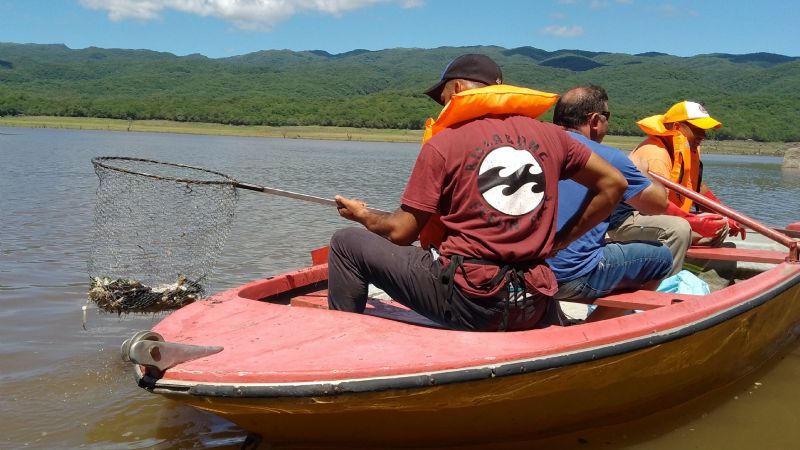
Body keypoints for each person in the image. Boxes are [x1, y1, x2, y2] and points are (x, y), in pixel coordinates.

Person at [327, 54, 627, 332]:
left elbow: (401, 233)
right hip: (533, 300)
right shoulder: (553, 137)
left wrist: (363, 214)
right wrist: (560, 241)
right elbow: (614, 184)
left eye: (443, 99)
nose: (442, 108)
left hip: (471, 304)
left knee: (346, 243)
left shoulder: (445, 143)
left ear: (457, 88)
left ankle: (343, 344)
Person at [546, 86, 679, 304]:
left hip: (530, 270)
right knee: (661, 257)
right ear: (595, 120)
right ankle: (597, 326)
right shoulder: (610, 158)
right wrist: (643, 173)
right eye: (607, 116)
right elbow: (657, 204)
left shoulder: (535, 147)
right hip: (573, 277)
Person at [630, 101, 745, 247]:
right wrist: (693, 221)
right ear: (677, 127)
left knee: (720, 224)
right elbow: (654, 205)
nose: (703, 135)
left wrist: (729, 216)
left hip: (667, 216)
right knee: (709, 229)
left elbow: (698, 189)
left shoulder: (685, 151)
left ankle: (687, 264)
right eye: (698, 129)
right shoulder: (656, 155)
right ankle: (674, 267)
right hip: (640, 219)